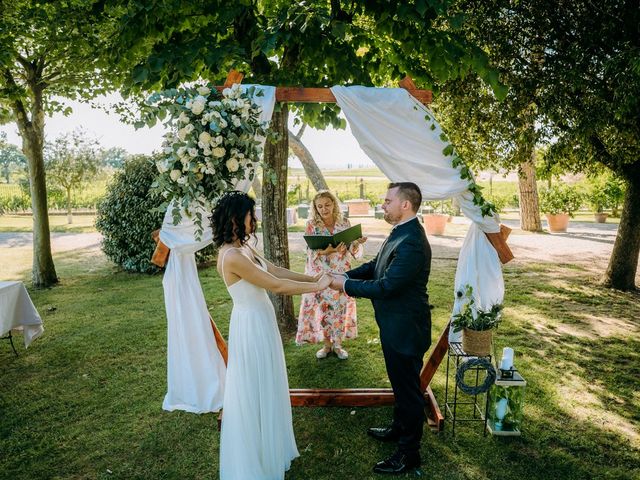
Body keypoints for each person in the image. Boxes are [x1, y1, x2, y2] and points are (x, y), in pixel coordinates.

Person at [212, 191, 332, 480]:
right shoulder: (231, 256)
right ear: (236, 218)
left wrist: (313, 278)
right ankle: (256, 456)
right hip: (250, 325)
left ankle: (270, 444)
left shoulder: (243, 248)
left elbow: (275, 270)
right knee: (255, 384)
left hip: (261, 320)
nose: (255, 219)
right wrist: (317, 288)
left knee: (267, 380)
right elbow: (275, 285)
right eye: (251, 214)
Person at [329, 182, 431, 475]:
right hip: (394, 324)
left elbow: (386, 286)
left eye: (388, 201)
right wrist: (344, 274)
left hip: (406, 328)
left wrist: (345, 285)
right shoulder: (400, 232)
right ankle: (399, 428)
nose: (383, 205)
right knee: (400, 384)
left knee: (409, 391)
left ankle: (409, 453)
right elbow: (376, 265)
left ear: (405, 205)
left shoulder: (412, 240)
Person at [296, 190, 367, 360]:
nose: (324, 209)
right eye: (319, 206)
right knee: (323, 309)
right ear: (315, 207)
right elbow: (309, 250)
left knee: (339, 308)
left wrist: (355, 244)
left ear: (334, 204)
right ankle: (326, 345)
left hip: (340, 272)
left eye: (327, 205)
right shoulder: (312, 224)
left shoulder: (344, 222)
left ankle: (338, 345)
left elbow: (352, 250)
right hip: (320, 274)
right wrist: (326, 251)